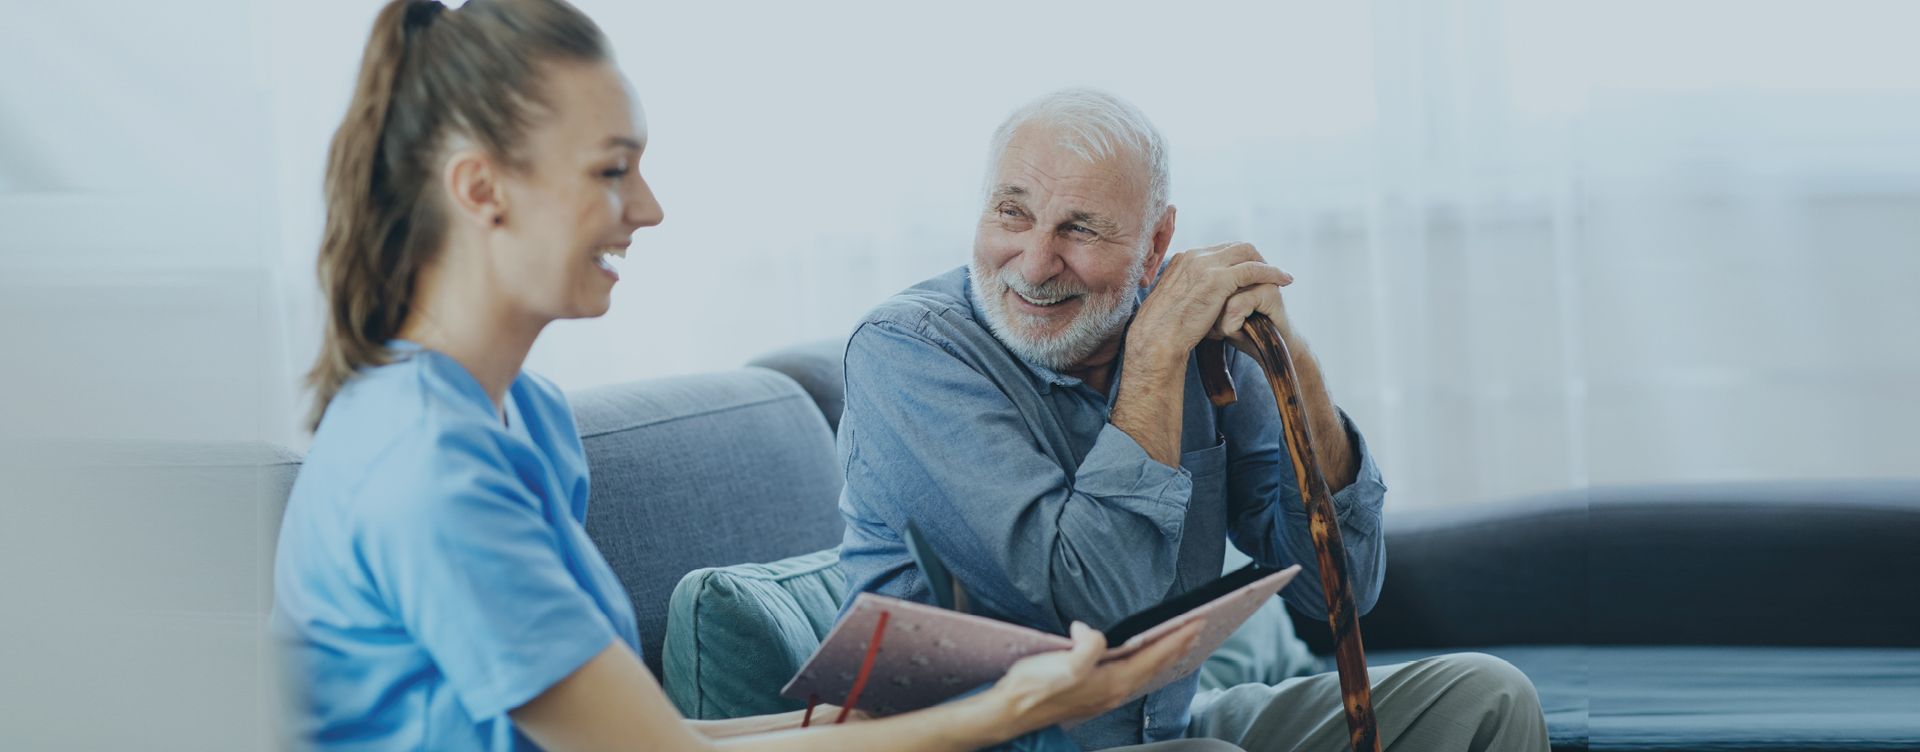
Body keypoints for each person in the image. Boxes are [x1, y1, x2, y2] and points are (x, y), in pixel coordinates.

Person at [269, 3, 1229, 750]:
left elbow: (644, 737)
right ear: (481, 189)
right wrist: (1009, 711)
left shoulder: (522, 417)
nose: (648, 208)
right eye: (613, 171)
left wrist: (843, 729)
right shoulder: (427, 467)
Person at [834, 88, 1552, 751]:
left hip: (1163, 730)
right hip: (997, 743)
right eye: (1012, 212)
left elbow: (1339, 585)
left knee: (1485, 697)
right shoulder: (909, 355)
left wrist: (1290, 358)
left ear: (1154, 245)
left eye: (1079, 227)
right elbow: (1093, 607)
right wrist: (1153, 361)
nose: (1035, 259)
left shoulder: (1193, 338)